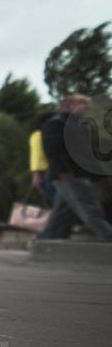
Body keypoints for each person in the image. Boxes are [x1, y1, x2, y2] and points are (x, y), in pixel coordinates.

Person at [40, 95, 112, 241]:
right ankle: (108, 235)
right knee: (90, 208)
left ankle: (48, 241)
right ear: (69, 106)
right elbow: (53, 149)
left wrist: (100, 176)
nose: (87, 108)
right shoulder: (56, 124)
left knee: (62, 213)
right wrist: (63, 171)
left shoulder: (82, 126)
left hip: (78, 174)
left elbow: (88, 155)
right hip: (67, 175)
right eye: (83, 104)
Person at [29, 111, 58, 210]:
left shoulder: (48, 134)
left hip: (52, 173)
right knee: (60, 203)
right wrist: (36, 174)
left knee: (60, 204)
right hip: (47, 173)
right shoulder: (38, 135)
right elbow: (37, 156)